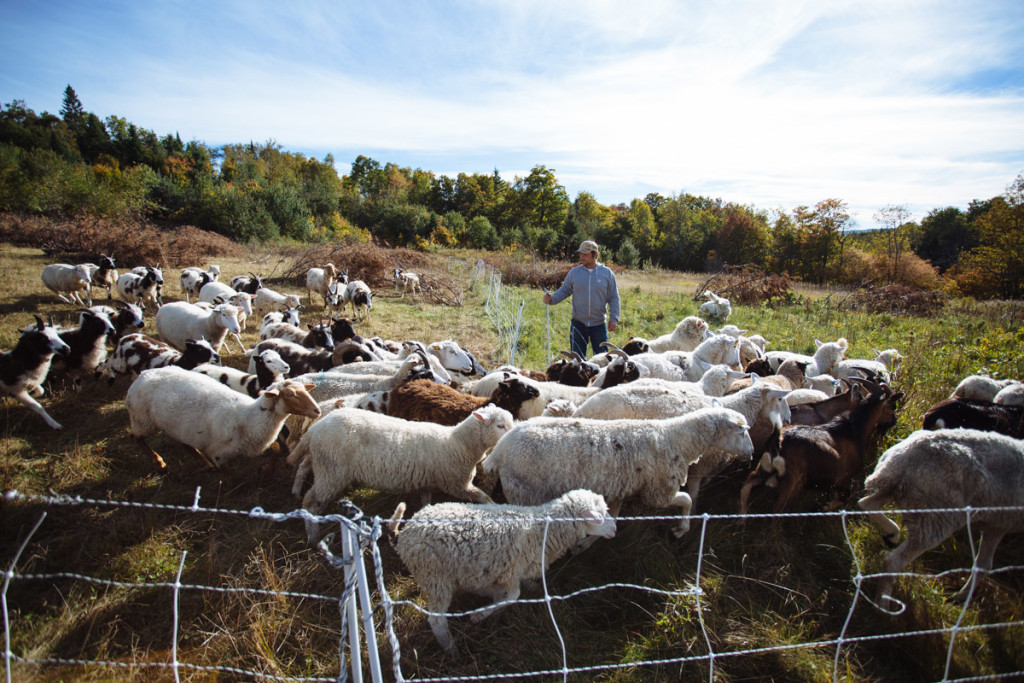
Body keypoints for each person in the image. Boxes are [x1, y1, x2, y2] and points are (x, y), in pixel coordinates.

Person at [543, 240, 620, 358]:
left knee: (602, 359)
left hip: (599, 324)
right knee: (577, 361)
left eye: (585, 254)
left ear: (595, 255)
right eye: (581, 253)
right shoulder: (574, 273)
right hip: (578, 324)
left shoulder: (607, 274)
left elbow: (614, 297)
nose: (582, 256)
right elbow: (564, 290)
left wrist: (614, 318)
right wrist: (552, 299)